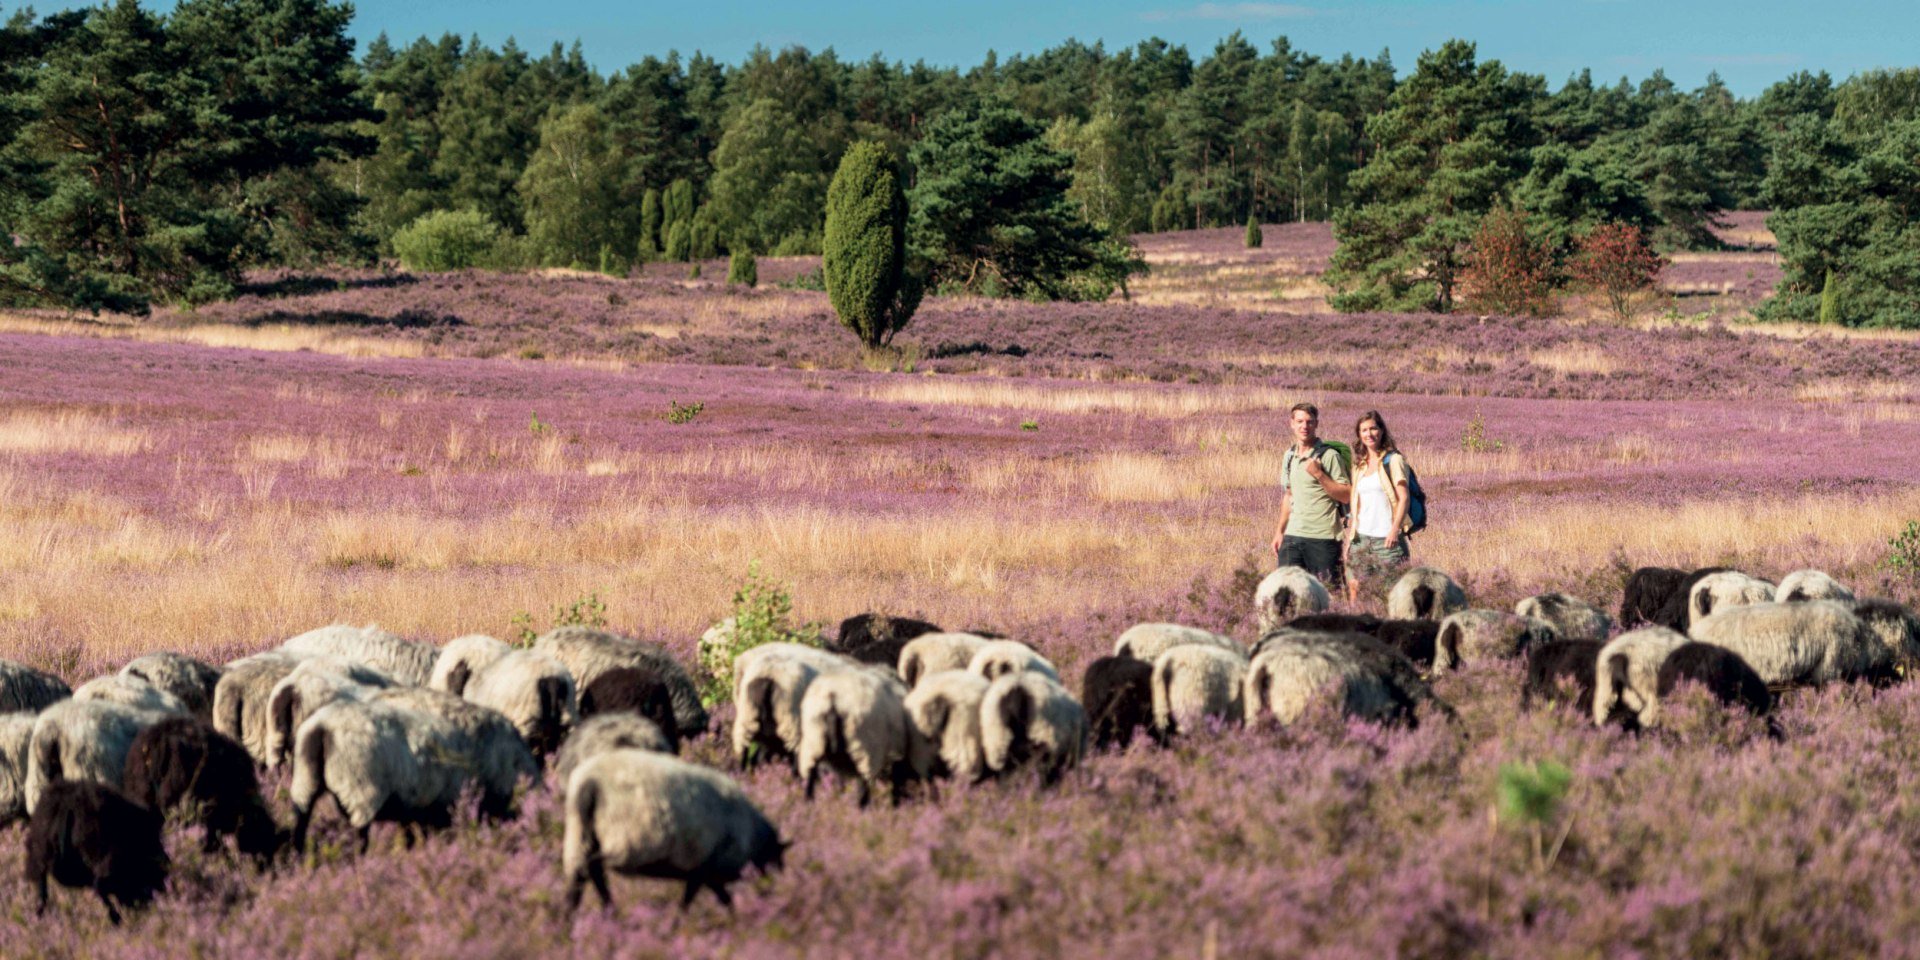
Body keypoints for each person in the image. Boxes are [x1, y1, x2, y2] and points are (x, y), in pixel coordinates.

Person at [1269, 402, 1350, 584]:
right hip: (1293, 536)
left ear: (1316, 424)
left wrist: (1319, 474)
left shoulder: (1329, 456)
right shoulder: (1289, 456)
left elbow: (1346, 495)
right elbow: (1289, 495)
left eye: (1309, 422)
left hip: (1323, 537)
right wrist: (1280, 531)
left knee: (1329, 595)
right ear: (1291, 423)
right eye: (1299, 421)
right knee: (1287, 594)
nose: (1304, 426)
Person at [1341, 409, 1412, 602]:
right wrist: (1350, 539)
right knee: (1356, 593)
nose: (1369, 434)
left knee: (1391, 596)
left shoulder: (1394, 460)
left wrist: (1394, 530)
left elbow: (1404, 498)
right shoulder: (1359, 465)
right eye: (1364, 430)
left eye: (1373, 428)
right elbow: (1357, 505)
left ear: (1381, 431)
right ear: (1359, 434)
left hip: (1387, 542)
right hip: (1360, 540)